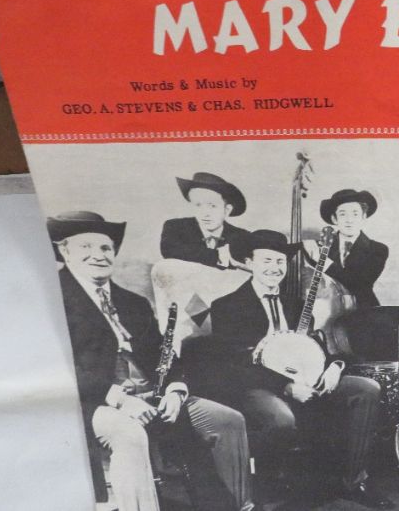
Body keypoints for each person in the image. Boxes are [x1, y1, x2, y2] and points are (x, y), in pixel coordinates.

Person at [48, 211, 254, 511]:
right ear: (65, 251)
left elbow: (164, 355)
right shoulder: (51, 298)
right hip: (92, 401)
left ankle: (236, 506)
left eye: (105, 248)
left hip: (151, 396)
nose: (99, 255)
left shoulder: (133, 302)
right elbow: (57, 369)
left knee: (228, 421)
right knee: (130, 434)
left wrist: (175, 390)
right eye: (86, 247)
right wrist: (120, 399)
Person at [210, 229, 393, 510]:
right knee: (281, 418)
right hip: (259, 385)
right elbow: (235, 364)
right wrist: (287, 386)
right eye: (266, 260)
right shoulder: (227, 306)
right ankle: (273, 489)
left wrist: (335, 368)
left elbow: (318, 348)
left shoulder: (295, 304)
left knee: (366, 389)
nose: (274, 268)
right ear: (249, 262)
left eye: (280, 261)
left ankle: (354, 480)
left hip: (307, 378)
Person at [303, 189, 388, 309]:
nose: (349, 220)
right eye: (343, 214)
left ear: (364, 217)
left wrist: (322, 260)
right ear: (334, 219)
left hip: (364, 312)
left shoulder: (378, 249)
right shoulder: (319, 246)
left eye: (355, 214)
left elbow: (360, 284)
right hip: (328, 312)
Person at [160, 172, 251, 269]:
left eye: (212, 206)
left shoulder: (242, 237)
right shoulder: (176, 227)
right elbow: (169, 250)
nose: (205, 213)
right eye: (198, 205)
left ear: (227, 210)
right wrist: (219, 256)